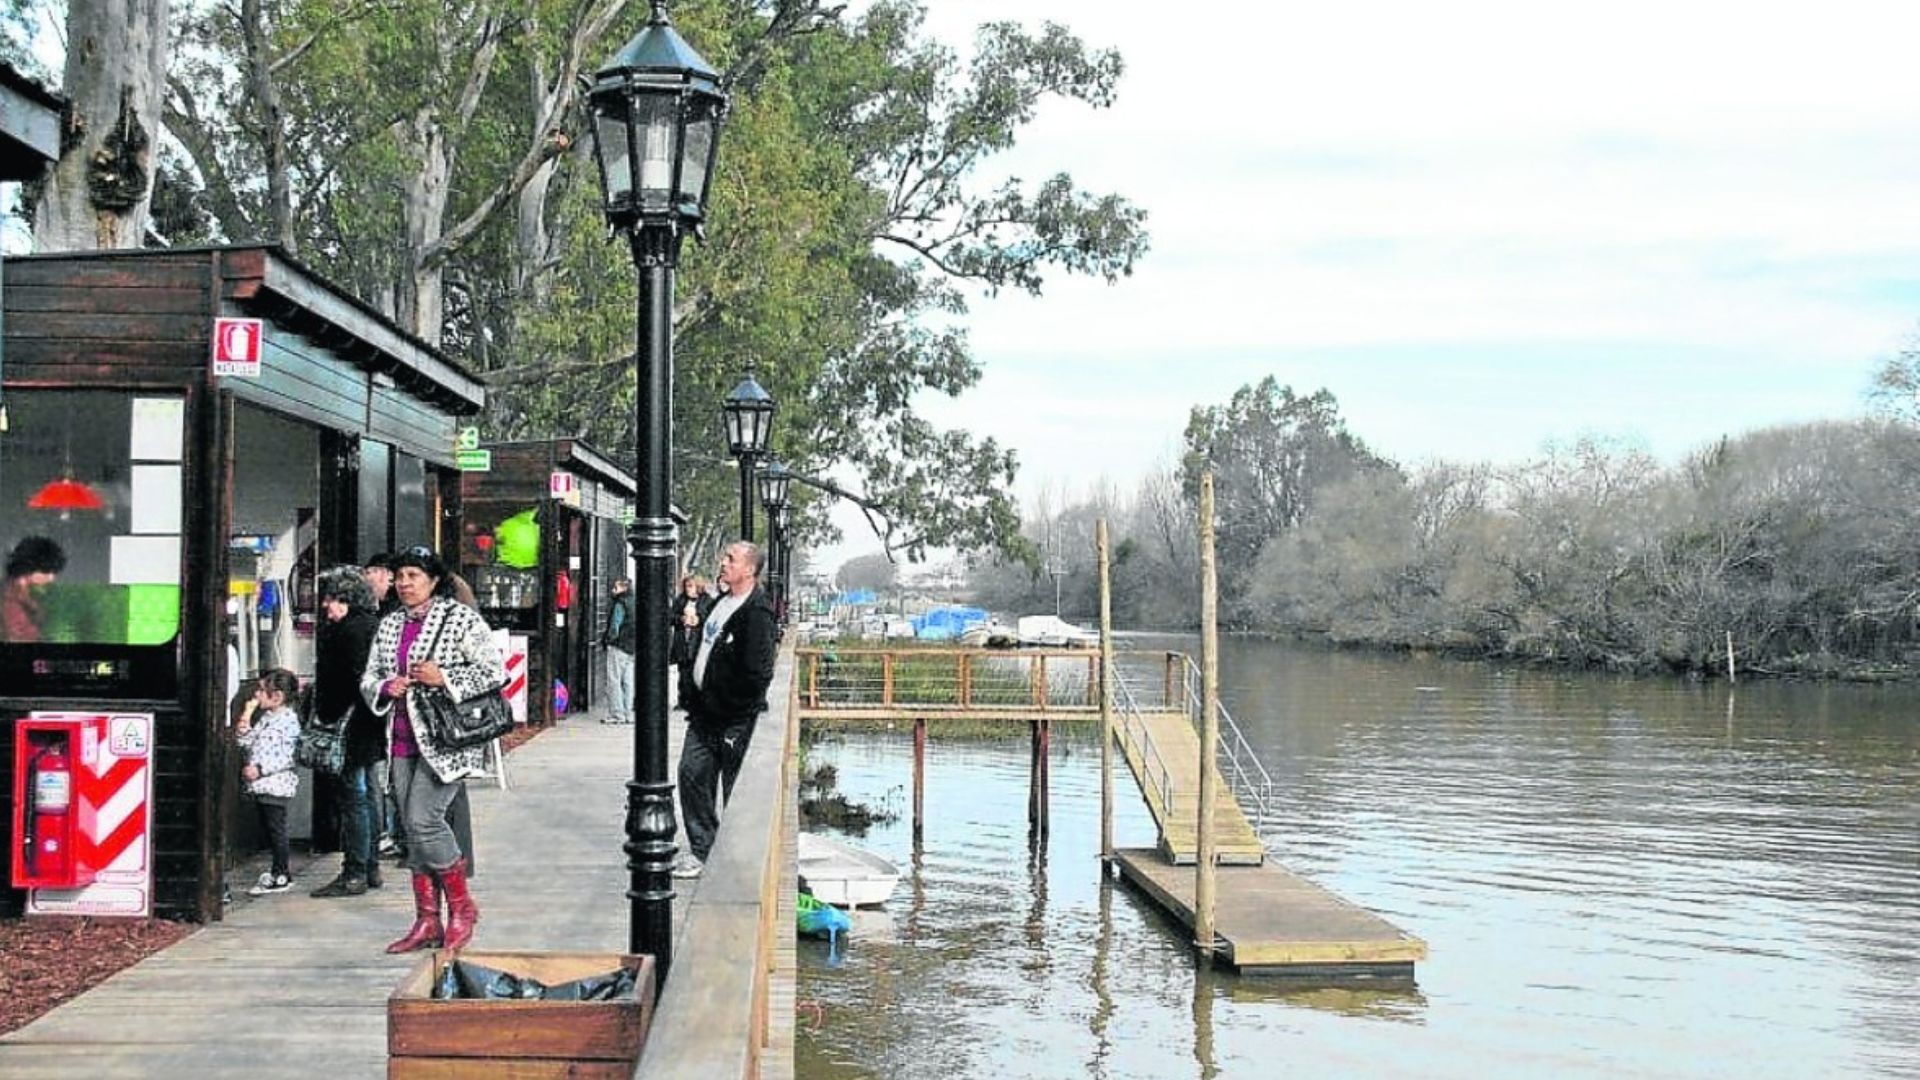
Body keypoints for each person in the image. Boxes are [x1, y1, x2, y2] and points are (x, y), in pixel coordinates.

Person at [360, 545, 503, 953]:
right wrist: (385, 686)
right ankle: (427, 919)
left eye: (414, 576)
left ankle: (461, 908)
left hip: (448, 739)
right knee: (412, 830)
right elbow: (370, 676)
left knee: (423, 820)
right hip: (402, 738)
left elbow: (493, 669)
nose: (405, 584)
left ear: (433, 580)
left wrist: (445, 677)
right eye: (400, 577)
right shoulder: (390, 624)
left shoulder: (459, 619)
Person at [673, 542, 777, 879]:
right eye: (725, 557)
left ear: (750, 569)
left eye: (732, 559)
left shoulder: (757, 612)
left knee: (734, 788)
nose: (724, 562)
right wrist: (691, 691)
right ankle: (703, 849)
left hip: (733, 719)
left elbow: (759, 671)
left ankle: (737, 860)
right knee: (691, 775)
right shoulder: (720, 602)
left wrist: (735, 709)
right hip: (703, 715)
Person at [309, 567, 387, 898]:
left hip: (348, 727)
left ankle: (355, 870)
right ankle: (369, 866)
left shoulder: (347, 633)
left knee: (354, 798)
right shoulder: (374, 626)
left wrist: (326, 711)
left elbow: (350, 680)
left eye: (330, 598)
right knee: (368, 794)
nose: (325, 605)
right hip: (369, 724)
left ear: (345, 599)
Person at [236, 668, 302, 896]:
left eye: (262, 691)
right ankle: (277, 870)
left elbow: (287, 756)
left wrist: (261, 769)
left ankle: (281, 872)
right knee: (269, 828)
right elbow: (245, 741)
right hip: (261, 783)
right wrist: (246, 715)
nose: (257, 695)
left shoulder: (288, 721)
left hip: (276, 783)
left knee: (276, 829)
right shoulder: (267, 718)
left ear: (277, 697)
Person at [2, 536, 65, 643]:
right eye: (47, 571)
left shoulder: (21, 592)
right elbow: (18, 637)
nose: (51, 578)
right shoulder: (9, 600)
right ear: (29, 568)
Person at [668, 573, 712, 712]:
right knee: (683, 673)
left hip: (698, 641)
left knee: (697, 672)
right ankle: (684, 700)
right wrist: (681, 619)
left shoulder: (707, 600)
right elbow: (670, 616)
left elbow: (711, 618)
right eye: (687, 586)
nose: (688, 589)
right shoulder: (680, 600)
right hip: (683, 641)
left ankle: (698, 701)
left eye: (691, 586)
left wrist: (699, 619)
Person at [601, 578, 636, 725]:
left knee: (614, 680)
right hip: (631, 646)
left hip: (618, 645)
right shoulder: (635, 602)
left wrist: (608, 640)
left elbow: (615, 625)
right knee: (628, 681)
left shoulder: (620, 604)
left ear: (623, 588)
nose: (612, 590)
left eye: (616, 587)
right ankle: (628, 713)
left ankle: (617, 714)